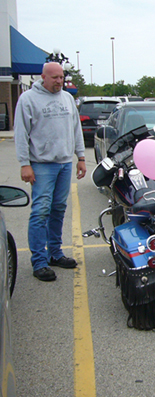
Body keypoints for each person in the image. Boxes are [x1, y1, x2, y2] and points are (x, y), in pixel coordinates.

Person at [14, 62, 87, 282]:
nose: (59, 81)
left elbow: (76, 130)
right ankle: (39, 261)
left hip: (64, 163)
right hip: (41, 165)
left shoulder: (66, 99)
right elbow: (21, 133)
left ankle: (55, 253)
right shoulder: (27, 99)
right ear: (43, 77)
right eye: (54, 77)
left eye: (61, 77)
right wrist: (24, 163)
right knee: (40, 211)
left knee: (58, 209)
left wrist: (81, 157)